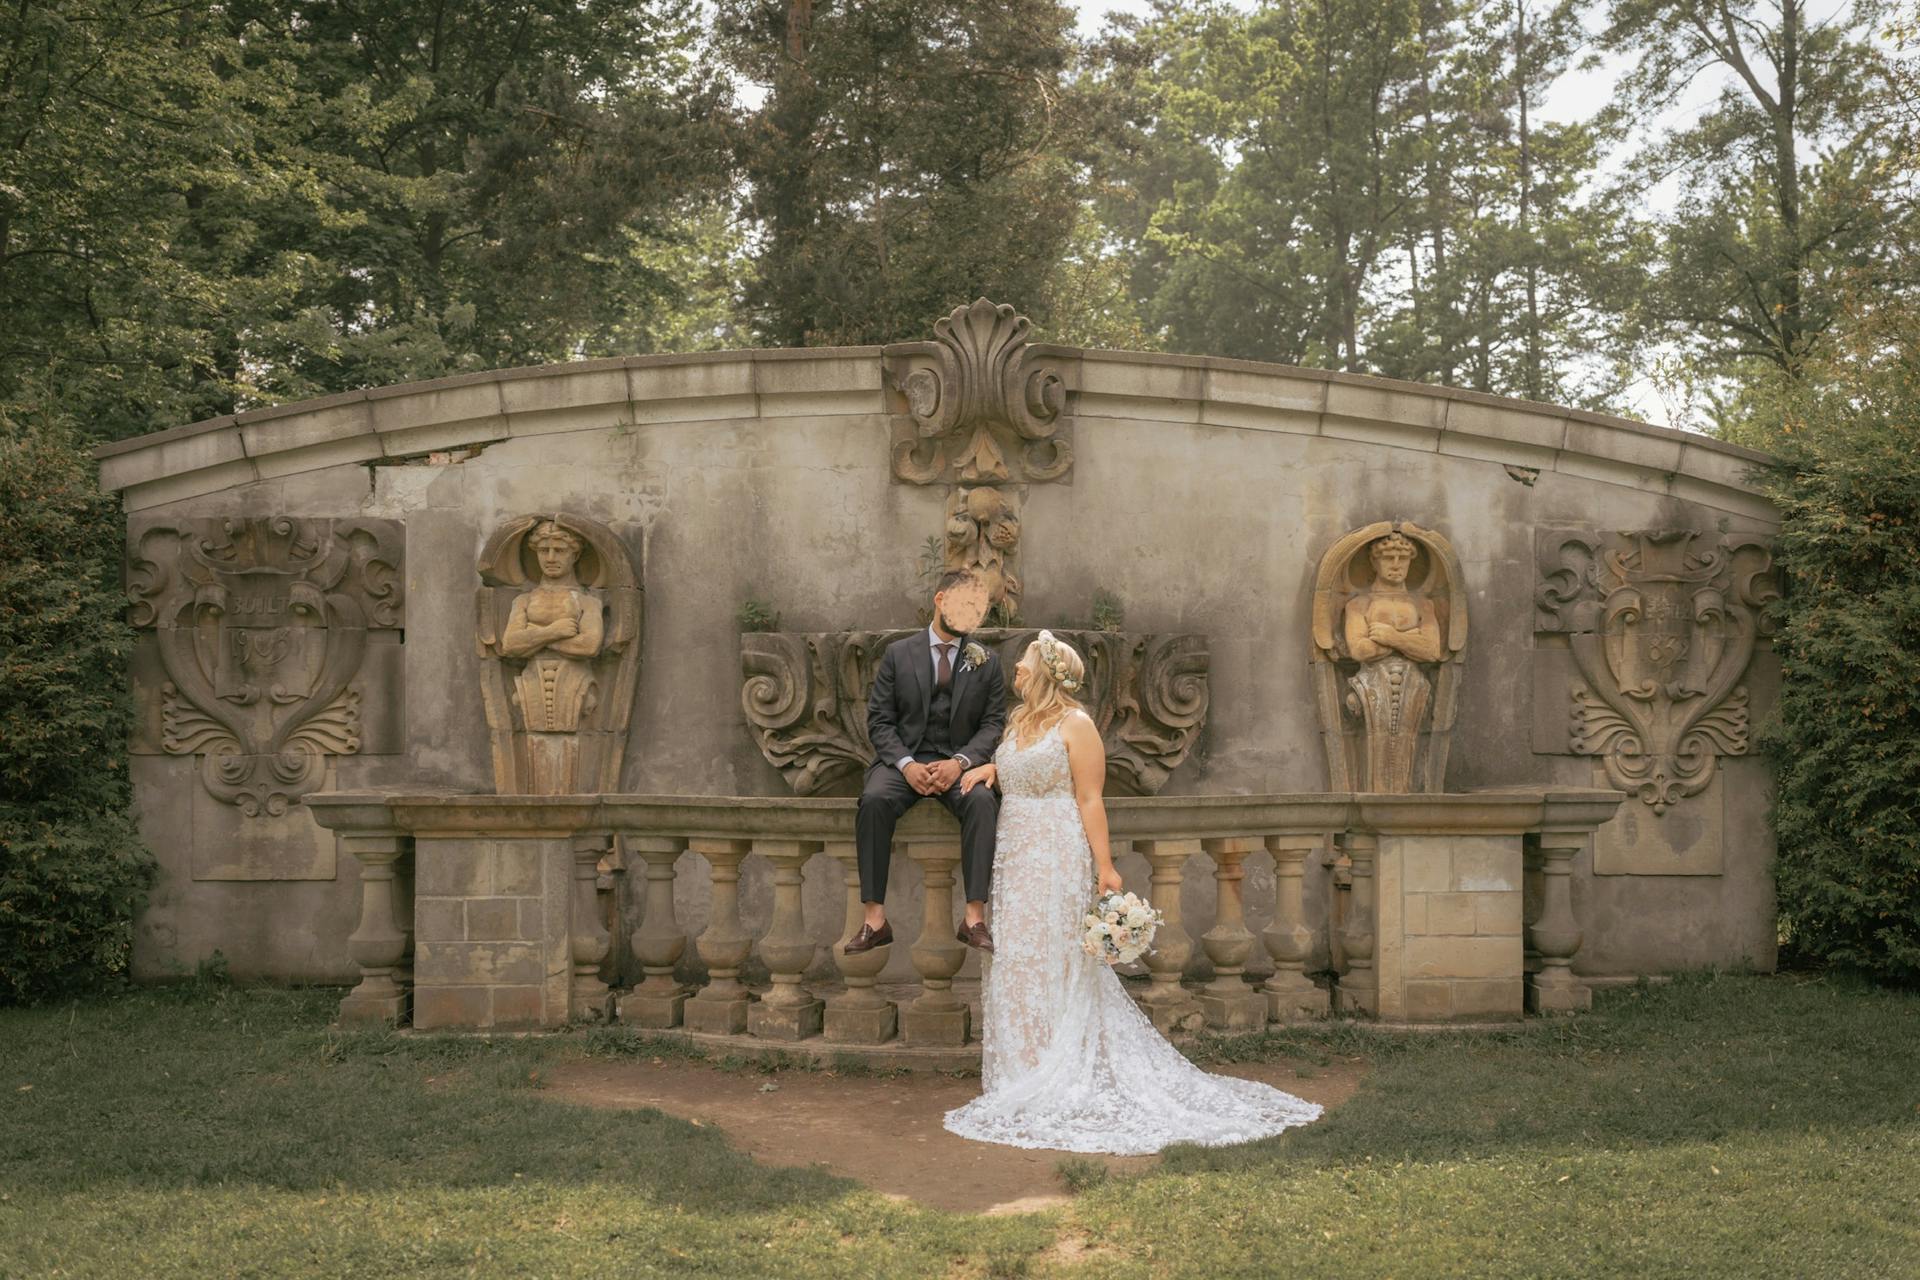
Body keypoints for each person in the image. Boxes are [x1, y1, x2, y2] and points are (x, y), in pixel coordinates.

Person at [942, 630, 1323, 1154]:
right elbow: (1019, 773)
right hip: (1014, 855)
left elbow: (1090, 798)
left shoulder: (1077, 725)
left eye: (1027, 663)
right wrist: (991, 767)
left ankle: (1060, 1066)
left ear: (1048, 672)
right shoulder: (1019, 722)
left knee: (1056, 957)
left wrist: (1105, 867)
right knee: (1019, 958)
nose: (1019, 671)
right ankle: (1021, 1070)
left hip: (1056, 850)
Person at [846, 569, 1006, 955]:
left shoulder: (987, 661)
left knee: (983, 802)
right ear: (940, 600)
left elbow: (993, 723)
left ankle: (974, 918)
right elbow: (880, 721)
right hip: (905, 762)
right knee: (873, 801)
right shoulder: (899, 655)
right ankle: (874, 920)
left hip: (958, 766)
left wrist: (961, 762)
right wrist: (905, 764)